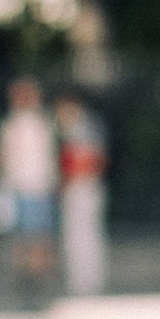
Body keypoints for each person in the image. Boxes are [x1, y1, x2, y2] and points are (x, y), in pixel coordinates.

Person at [0, 76, 58, 296]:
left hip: (39, 188)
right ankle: (26, 282)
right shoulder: (11, 125)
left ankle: (39, 282)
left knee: (39, 238)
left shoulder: (41, 123)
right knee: (24, 238)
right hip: (20, 188)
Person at [56, 94, 109, 301]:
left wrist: (69, 182)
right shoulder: (76, 130)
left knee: (84, 236)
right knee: (78, 236)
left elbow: (89, 162)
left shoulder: (84, 129)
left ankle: (86, 281)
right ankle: (82, 280)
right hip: (79, 189)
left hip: (83, 189)